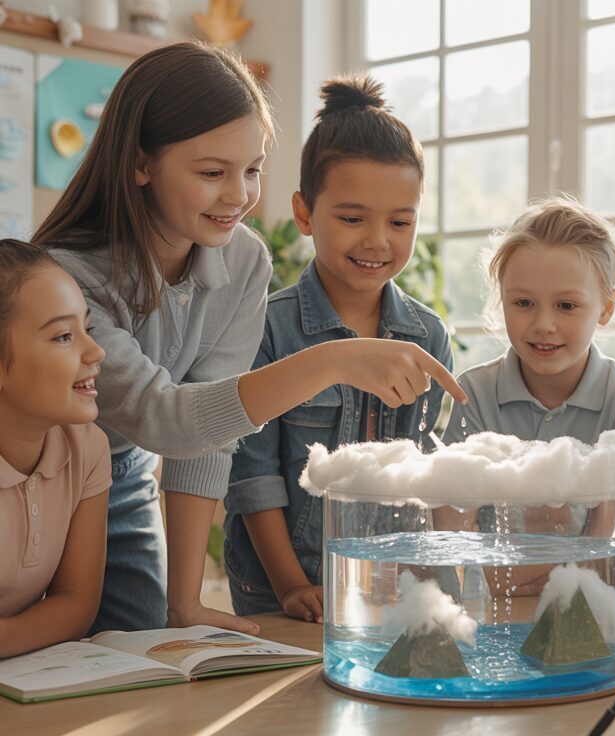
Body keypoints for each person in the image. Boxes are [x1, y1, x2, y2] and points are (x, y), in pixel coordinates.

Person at [33, 42, 465, 635]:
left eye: (253, 170)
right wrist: (334, 362)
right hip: (32, 478)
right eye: (213, 173)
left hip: (120, 476)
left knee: (139, 649)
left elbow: (209, 435)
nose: (239, 195)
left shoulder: (242, 262)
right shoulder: (70, 278)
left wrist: (185, 605)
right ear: (140, 163)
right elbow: (166, 418)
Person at [222, 74, 453, 621]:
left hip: (386, 586)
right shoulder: (266, 329)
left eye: (401, 222)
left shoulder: (429, 337)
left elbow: (419, 469)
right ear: (304, 215)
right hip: (276, 591)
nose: (377, 240)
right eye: (352, 218)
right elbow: (252, 477)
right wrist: (290, 586)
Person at [440, 197, 615, 595]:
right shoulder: (472, 392)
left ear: (606, 308)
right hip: (488, 619)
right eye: (523, 303)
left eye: (566, 305)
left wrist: (513, 576)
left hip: (593, 618)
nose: (544, 324)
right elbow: (450, 535)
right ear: (501, 300)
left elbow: (603, 554)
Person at [0, 240, 111, 658]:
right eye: (64, 336)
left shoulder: (87, 449)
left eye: (88, 329)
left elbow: (76, 604)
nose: (96, 351)